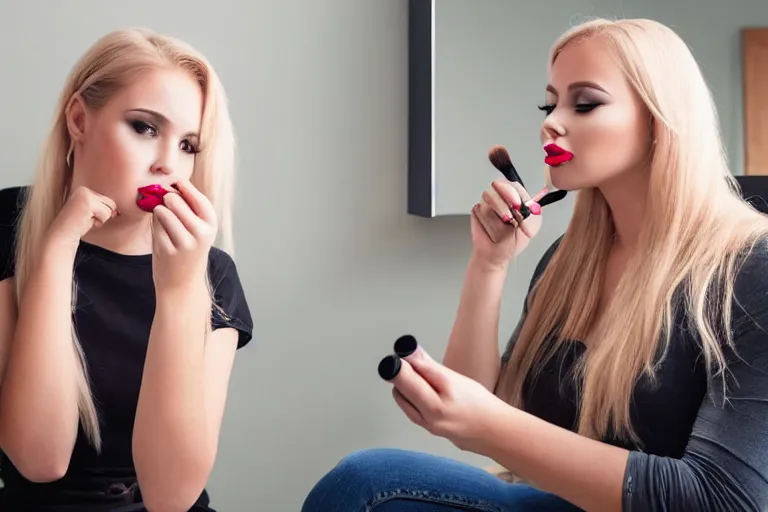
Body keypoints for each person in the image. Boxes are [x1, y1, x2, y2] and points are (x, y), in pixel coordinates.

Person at [301, 17, 768, 512]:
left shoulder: (752, 269)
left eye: (584, 103)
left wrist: (489, 425)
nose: (552, 121)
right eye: (551, 103)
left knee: (368, 485)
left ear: (659, 120)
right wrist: (489, 266)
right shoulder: (570, 262)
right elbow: (486, 411)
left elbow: (728, 500)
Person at [0, 28, 253, 511]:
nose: (167, 165)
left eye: (188, 146)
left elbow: (171, 497)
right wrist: (57, 249)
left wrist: (179, 290)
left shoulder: (213, 274)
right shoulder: (10, 225)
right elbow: (38, 458)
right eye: (145, 128)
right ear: (79, 119)